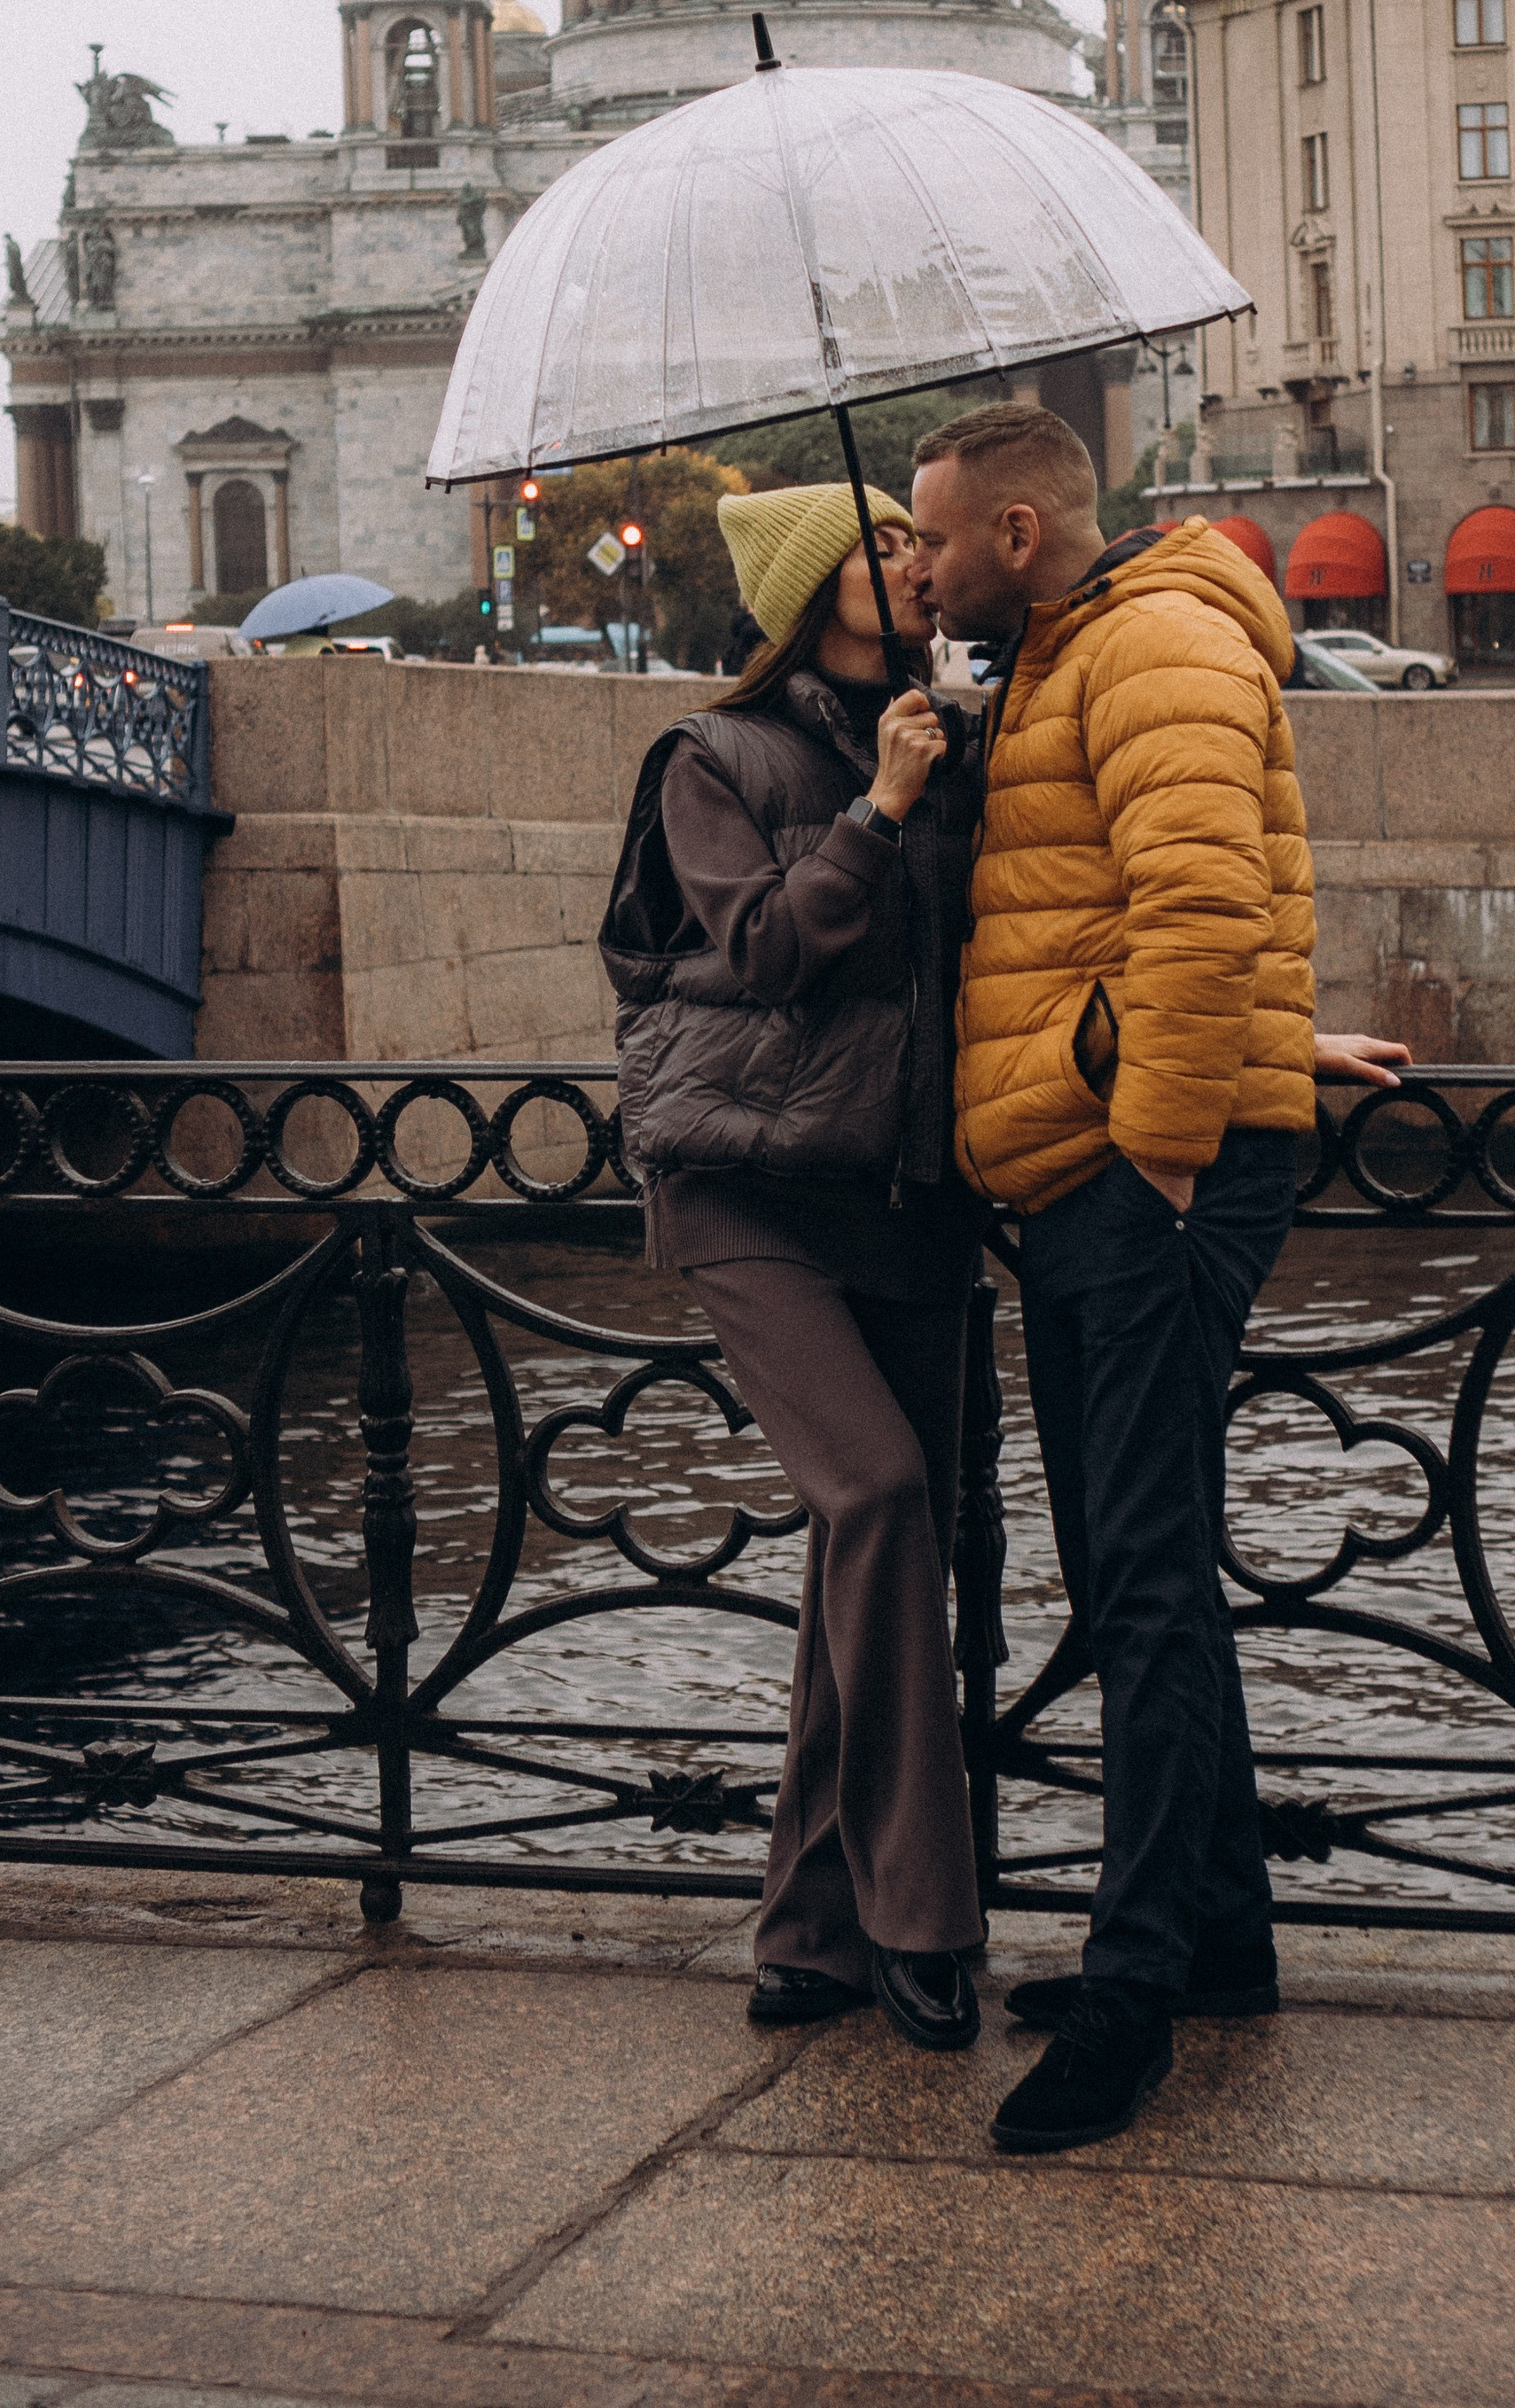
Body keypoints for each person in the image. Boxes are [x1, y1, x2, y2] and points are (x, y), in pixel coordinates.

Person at [905, 403, 1407, 2155]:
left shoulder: (1156, 641)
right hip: (1099, 1156)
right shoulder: (1061, 652)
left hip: (1135, 1174)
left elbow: (1198, 908)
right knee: (1146, 1566)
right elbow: (1131, 906)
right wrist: (1250, 1051)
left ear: (1020, 537)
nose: (923, 561)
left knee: (1141, 1589)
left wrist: (1169, 1142)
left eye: (938, 535)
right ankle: (1214, 1942)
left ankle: (1129, 2007)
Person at [598, 481, 985, 2053]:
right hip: (746, 1186)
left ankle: (807, 1927)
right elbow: (764, 951)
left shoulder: (947, 737)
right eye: (884, 542)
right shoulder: (712, 757)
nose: (911, 557)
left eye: (916, 538)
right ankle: (920, 1921)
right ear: (817, 583)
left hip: (907, 1191)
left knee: (876, 1551)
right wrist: (882, 809)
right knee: (879, 1496)